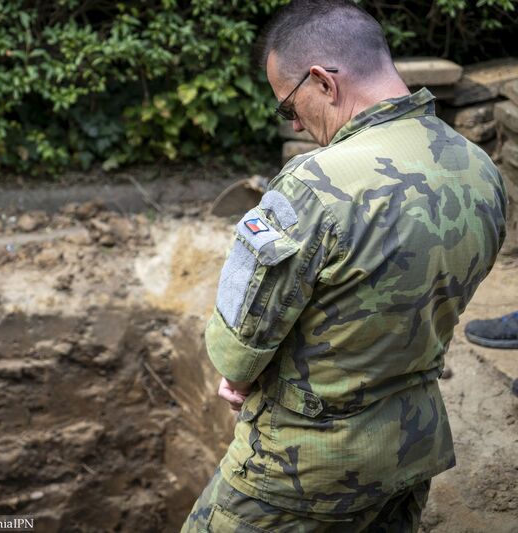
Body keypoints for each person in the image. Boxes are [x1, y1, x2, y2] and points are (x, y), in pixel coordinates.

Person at [182, 1, 508, 531]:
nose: (295, 122)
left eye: (288, 107)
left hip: (300, 470)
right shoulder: (480, 169)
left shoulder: (313, 184)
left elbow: (237, 352)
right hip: (412, 448)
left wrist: (236, 372)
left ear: (322, 82)